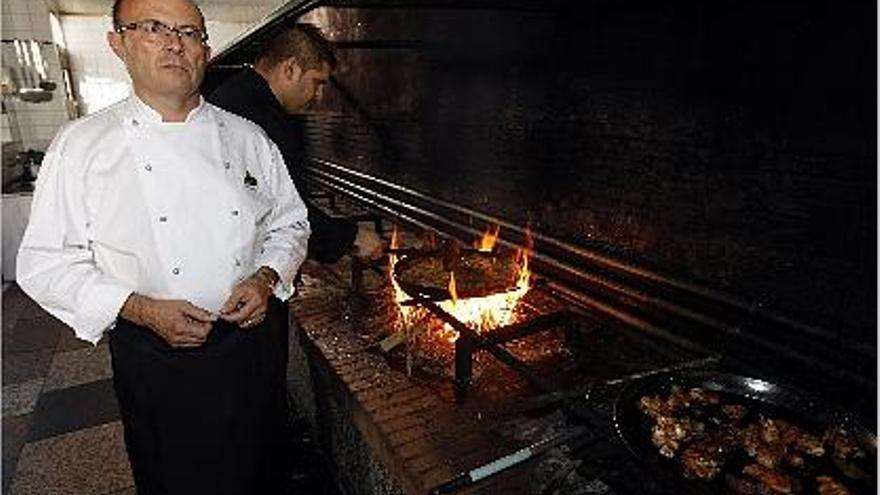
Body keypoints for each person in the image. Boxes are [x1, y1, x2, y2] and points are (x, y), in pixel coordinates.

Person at [16, 0, 309, 493]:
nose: (175, 43)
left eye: (190, 33)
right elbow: (44, 262)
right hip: (155, 360)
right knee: (175, 477)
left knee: (263, 472)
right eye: (154, 28)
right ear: (119, 44)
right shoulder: (82, 144)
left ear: (206, 49)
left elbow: (290, 222)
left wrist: (266, 278)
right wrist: (141, 309)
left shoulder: (247, 136)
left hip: (251, 348)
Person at [208, 23, 379, 263]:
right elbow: (281, 210)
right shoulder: (257, 119)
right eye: (317, 82)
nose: (319, 96)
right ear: (290, 69)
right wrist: (351, 236)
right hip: (239, 270)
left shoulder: (241, 96)